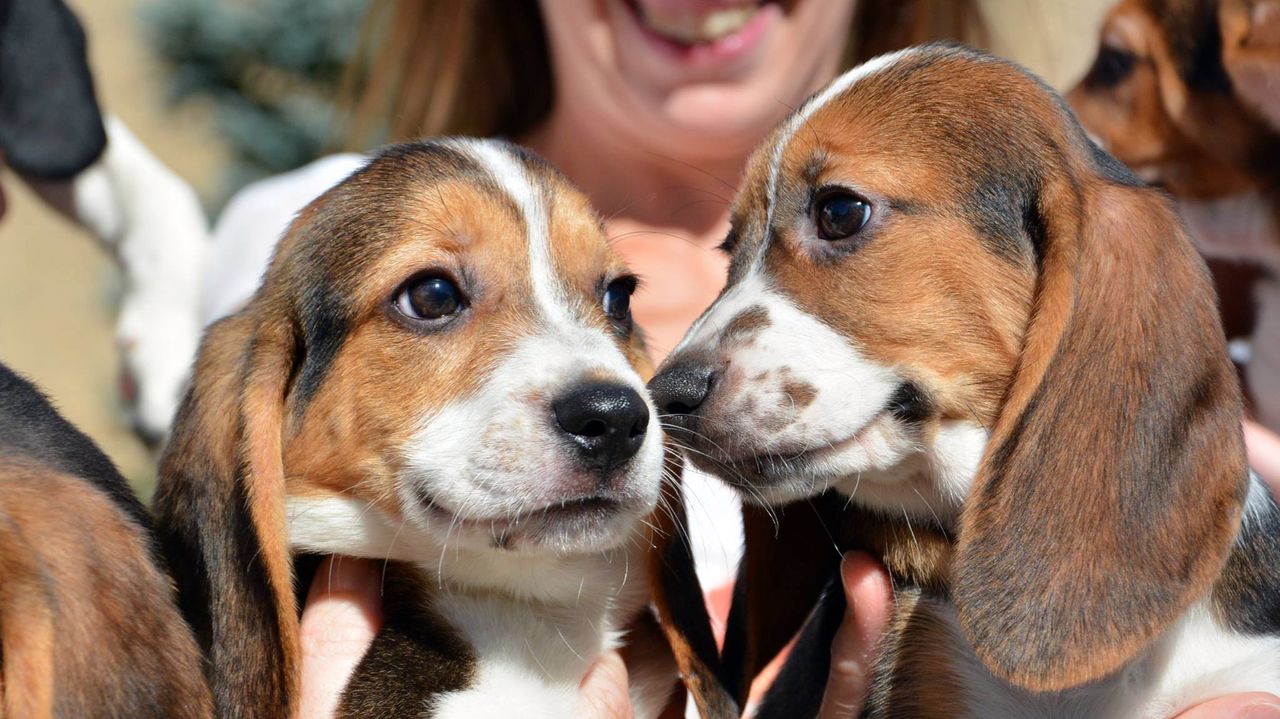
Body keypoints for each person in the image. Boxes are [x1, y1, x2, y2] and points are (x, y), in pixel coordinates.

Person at [208, 2, 1280, 716]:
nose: (647, 389)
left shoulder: (1167, 267)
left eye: (842, 216)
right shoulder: (314, 229)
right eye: (436, 297)